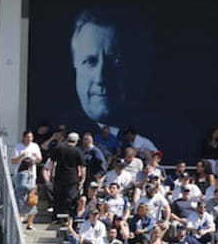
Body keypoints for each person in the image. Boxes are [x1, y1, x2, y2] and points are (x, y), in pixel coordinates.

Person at [64, 8, 158, 154]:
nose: (100, 78)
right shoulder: (65, 132)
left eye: (115, 61)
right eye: (90, 61)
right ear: (74, 65)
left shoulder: (174, 136)